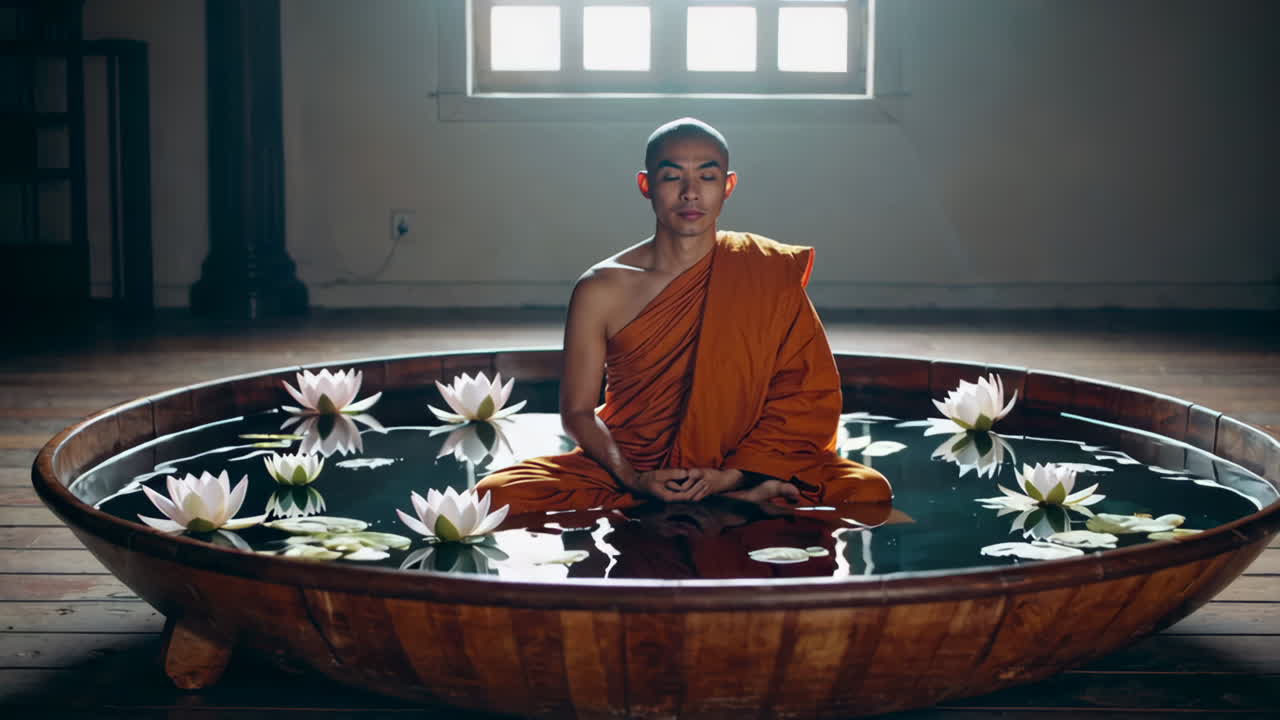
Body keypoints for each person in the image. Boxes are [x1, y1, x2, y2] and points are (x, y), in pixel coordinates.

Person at [478, 118, 891, 513]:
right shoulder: (601, 287)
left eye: (707, 178)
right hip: (633, 460)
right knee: (495, 495)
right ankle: (738, 498)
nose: (690, 193)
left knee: (868, 490)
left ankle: (741, 490)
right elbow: (578, 412)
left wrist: (731, 476)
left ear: (728, 186)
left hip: (738, 461)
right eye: (673, 177)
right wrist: (632, 478)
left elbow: (803, 393)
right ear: (646, 185)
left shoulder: (761, 269)